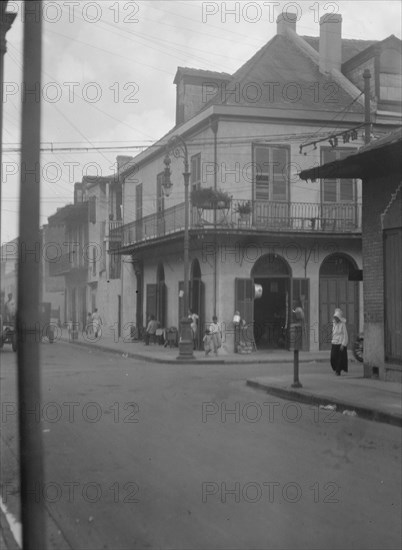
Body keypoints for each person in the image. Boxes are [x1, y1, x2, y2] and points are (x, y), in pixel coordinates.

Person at [330, 308, 348, 376]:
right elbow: (333, 333)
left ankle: (338, 371)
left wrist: (343, 344)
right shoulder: (334, 323)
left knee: (339, 358)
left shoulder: (342, 324)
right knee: (333, 357)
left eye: (337, 318)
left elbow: (345, 335)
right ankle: (336, 368)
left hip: (340, 343)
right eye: (335, 317)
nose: (335, 319)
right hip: (334, 343)